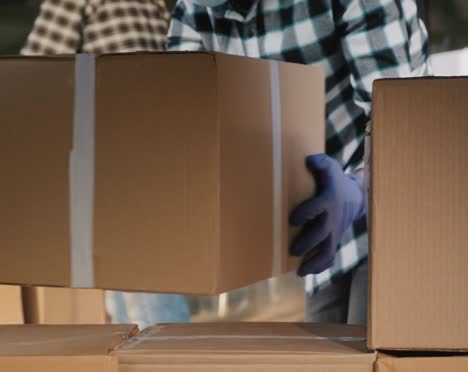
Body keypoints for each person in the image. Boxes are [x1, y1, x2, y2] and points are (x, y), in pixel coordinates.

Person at [167, 0, 430, 325]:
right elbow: (186, 131)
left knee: (380, 357)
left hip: (395, 214)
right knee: (325, 367)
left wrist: (359, 189)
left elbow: (404, 124)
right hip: (319, 241)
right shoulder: (193, 11)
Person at [22, 0, 191, 328]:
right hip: (125, 153)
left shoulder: (164, 7)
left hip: (145, 154)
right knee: (140, 274)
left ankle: (157, 361)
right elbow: (37, 67)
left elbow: (35, 68)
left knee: (138, 278)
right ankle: (159, 358)